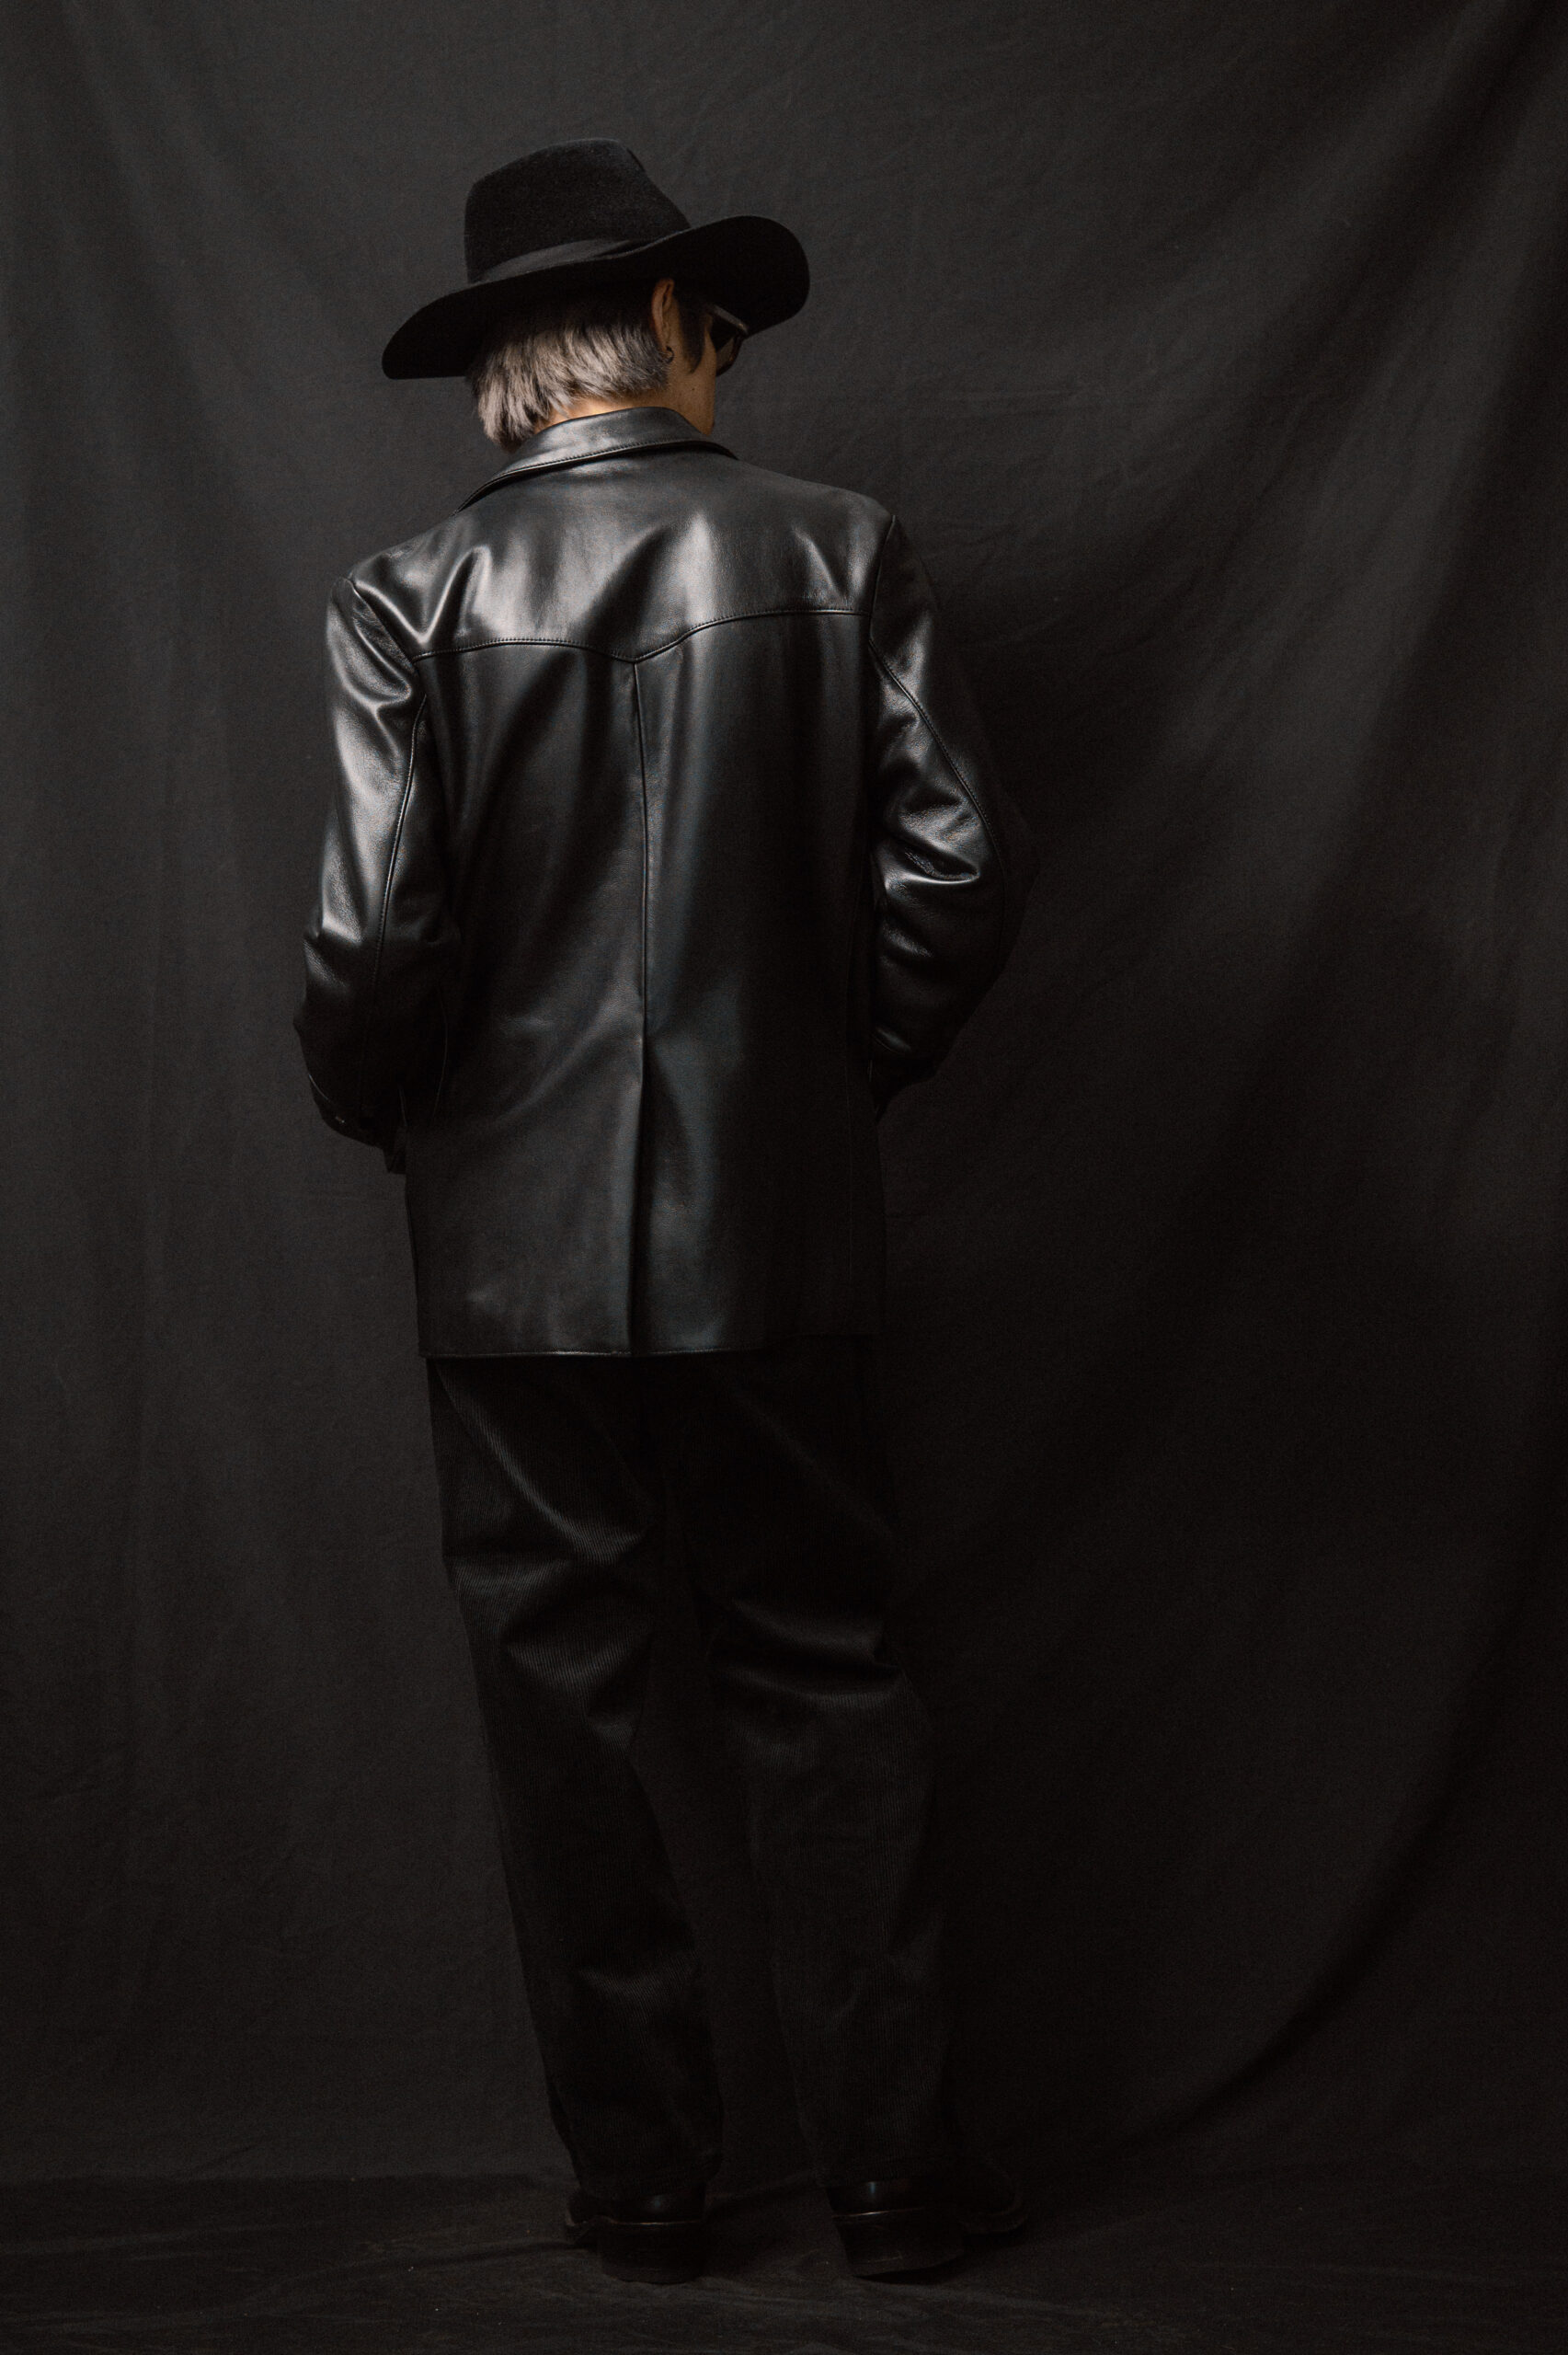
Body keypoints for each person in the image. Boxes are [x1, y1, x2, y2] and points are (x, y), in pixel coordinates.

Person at [294, 139, 1037, 2285]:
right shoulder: (840, 550)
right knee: (826, 1673)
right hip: (775, 1227)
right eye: (710, 319)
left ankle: (641, 2179)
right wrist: (828, 1078)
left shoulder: (405, 596)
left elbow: (370, 946)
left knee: (566, 1701)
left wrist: (411, 1122)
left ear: (503, 366)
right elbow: (955, 871)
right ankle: (897, 2177)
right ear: (667, 324)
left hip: (504, 1259)